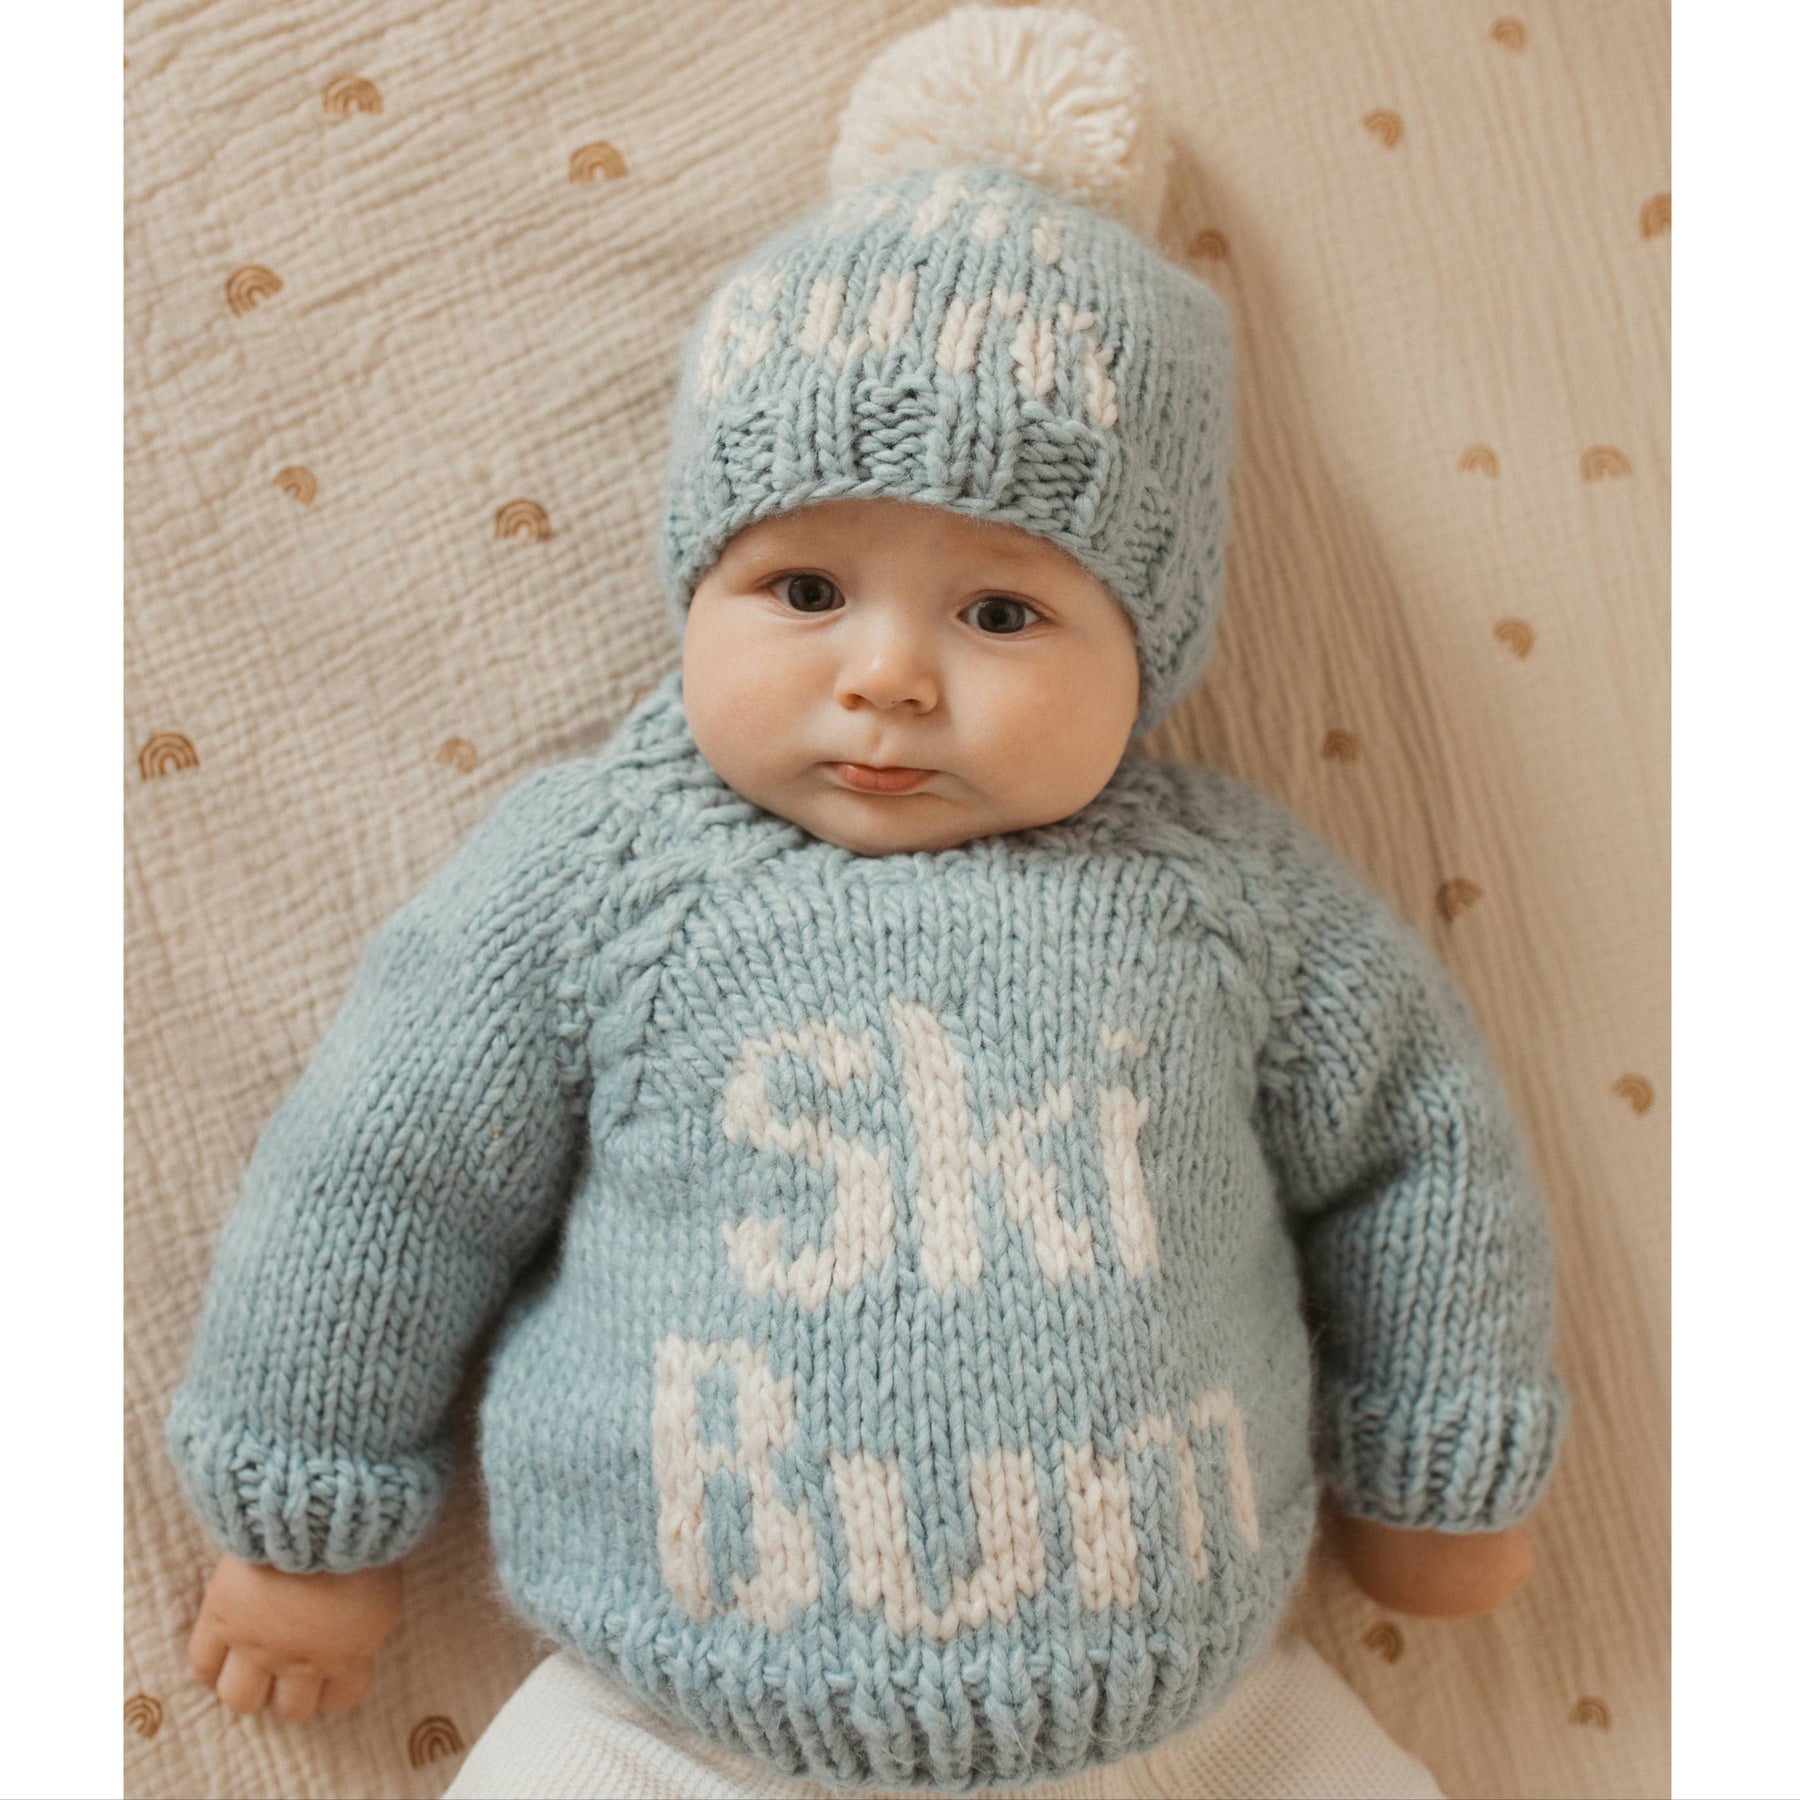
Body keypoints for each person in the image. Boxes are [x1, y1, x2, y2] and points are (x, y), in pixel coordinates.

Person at [166, 9, 1565, 1795]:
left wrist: (1441, 1463)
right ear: (695, 584)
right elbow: (385, 1177)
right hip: (669, 1722)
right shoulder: (597, 876)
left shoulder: (1231, 901)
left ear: (1152, 645)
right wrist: (306, 1522)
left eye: (1002, 613)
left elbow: (1418, 1157)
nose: (889, 675)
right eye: (807, 588)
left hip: (1195, 1722)